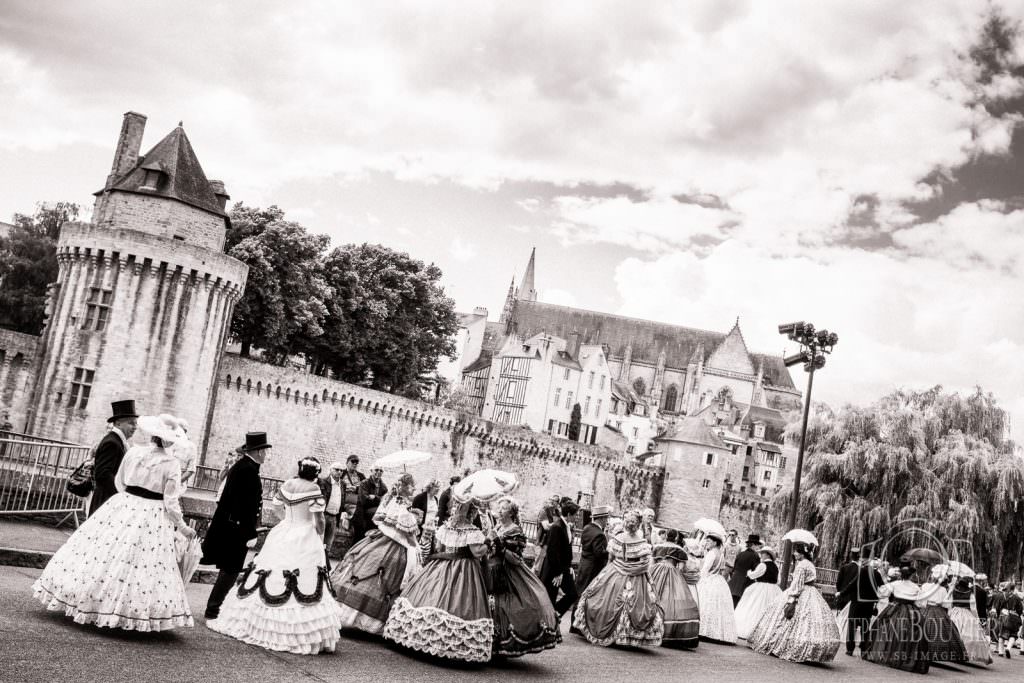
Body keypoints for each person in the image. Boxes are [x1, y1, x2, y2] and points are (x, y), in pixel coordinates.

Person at [33, 414, 196, 630]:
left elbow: (120, 481)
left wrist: (128, 500)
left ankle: (88, 597)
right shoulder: (171, 463)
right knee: (143, 563)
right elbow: (171, 501)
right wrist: (183, 527)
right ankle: (127, 611)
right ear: (167, 440)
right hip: (153, 511)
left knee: (104, 554)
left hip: (125, 503)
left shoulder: (134, 452)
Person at [208, 457, 343, 654]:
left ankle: (256, 622)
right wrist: (318, 533)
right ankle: (295, 632)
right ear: (315, 473)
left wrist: (286, 521)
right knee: (305, 576)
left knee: (269, 571)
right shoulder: (314, 490)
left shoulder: (288, 484)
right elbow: (320, 519)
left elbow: (277, 506)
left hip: (284, 530)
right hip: (305, 533)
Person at [384, 499, 494, 663]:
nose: (457, 509)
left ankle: (421, 636)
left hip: (439, 565)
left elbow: (439, 548)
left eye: (458, 507)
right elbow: (477, 552)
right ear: (472, 512)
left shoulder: (446, 527)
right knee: (458, 602)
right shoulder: (472, 531)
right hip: (463, 569)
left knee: (430, 595)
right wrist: (488, 542)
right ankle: (446, 643)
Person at [331, 472, 421, 634]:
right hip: (394, 544)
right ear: (405, 487)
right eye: (412, 485)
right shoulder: (399, 504)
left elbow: (378, 519)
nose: (414, 488)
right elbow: (405, 532)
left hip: (381, 539)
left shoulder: (393, 500)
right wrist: (409, 518)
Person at [573, 509, 664, 648]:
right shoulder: (630, 541)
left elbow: (616, 560)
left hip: (623, 574)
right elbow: (640, 563)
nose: (630, 524)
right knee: (621, 602)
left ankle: (617, 632)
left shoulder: (629, 540)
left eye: (630, 522)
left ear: (632, 524)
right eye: (630, 522)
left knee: (616, 601)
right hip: (626, 575)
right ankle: (619, 634)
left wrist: (605, 575)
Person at [202, 432, 268, 621]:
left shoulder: (246, 467)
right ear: (258, 451)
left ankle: (215, 607)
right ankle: (213, 609)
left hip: (234, 526)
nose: (266, 455)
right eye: (264, 451)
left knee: (229, 569)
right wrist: (249, 531)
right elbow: (243, 505)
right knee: (231, 569)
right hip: (236, 528)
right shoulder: (246, 469)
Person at [489, 496, 561, 657]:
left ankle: (504, 642)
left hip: (508, 574)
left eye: (504, 508)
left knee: (507, 606)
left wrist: (499, 546)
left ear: (511, 512)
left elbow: (515, 558)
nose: (499, 511)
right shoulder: (498, 526)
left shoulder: (515, 530)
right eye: (499, 507)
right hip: (491, 571)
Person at [748, 542, 840, 662]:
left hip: (801, 593)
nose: (795, 553)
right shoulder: (810, 564)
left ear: (803, 553)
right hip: (811, 592)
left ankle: (787, 646)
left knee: (787, 619)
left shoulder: (802, 565)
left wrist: (792, 599)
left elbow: (797, 585)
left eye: (797, 551)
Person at [862, 564, 930, 674]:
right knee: (910, 634)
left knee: (887, 630)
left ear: (901, 574)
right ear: (911, 575)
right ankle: (904, 657)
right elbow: (921, 603)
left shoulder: (895, 584)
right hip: (910, 610)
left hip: (894, 608)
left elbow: (881, 593)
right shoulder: (916, 587)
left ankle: (885, 654)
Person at [650, 528, 699, 648]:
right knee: (672, 600)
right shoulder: (680, 550)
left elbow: (652, 563)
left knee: (652, 595)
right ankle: (669, 631)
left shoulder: (657, 547)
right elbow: (681, 568)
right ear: (676, 538)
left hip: (655, 571)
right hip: (672, 572)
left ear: (666, 536)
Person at [89, 399, 139, 515]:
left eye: (136, 423)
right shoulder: (112, 442)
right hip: (105, 500)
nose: (135, 427)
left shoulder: (118, 441)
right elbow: (103, 474)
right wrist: (121, 491)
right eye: (131, 423)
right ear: (118, 423)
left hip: (109, 499)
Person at [837, 548, 883, 656]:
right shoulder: (876, 574)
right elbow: (881, 587)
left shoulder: (861, 571)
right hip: (869, 604)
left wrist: (841, 593)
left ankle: (850, 649)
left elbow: (852, 585)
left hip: (857, 602)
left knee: (852, 625)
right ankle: (864, 649)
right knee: (865, 626)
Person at [916, 571, 968, 664]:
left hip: (926, 609)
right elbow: (946, 604)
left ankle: (921, 651)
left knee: (924, 629)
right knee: (938, 632)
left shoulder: (926, 586)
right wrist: (949, 592)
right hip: (937, 610)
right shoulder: (943, 590)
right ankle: (933, 653)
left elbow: (920, 599)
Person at [540, 499, 578, 619]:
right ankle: (549, 623)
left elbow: (565, 551)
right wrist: (557, 573)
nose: (576, 517)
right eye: (575, 515)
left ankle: (554, 614)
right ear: (568, 515)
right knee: (550, 597)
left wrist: (569, 566)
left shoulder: (566, 527)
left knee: (572, 594)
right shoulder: (557, 527)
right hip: (553, 570)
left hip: (563, 568)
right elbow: (552, 552)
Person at [696, 533, 737, 643]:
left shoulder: (711, 553)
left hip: (709, 579)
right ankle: (717, 632)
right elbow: (722, 569)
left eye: (709, 541)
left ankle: (703, 630)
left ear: (715, 543)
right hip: (718, 580)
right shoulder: (721, 554)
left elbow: (705, 570)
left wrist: (699, 579)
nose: (706, 543)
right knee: (716, 607)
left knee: (704, 604)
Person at [734, 547, 782, 640]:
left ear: (768, 554)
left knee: (753, 606)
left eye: (762, 553)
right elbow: (778, 580)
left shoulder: (763, 565)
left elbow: (754, 575)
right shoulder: (776, 566)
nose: (761, 555)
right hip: (773, 588)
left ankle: (750, 630)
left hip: (761, 587)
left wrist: (749, 572)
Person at [949, 576, 992, 665]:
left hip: (954, 611)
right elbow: (973, 608)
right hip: (966, 613)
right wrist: (976, 618)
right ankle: (965, 654)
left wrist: (949, 613)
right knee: (969, 636)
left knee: (954, 633)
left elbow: (950, 604)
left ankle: (952, 652)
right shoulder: (970, 593)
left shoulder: (954, 591)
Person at [574, 505, 609, 602]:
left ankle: (574, 615)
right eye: (606, 518)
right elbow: (599, 553)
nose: (607, 521)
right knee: (586, 595)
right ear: (601, 519)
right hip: (593, 569)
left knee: (579, 592)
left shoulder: (587, 528)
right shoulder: (599, 534)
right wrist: (610, 551)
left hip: (583, 565)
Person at [318, 462, 346, 559]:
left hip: (334, 517)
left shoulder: (343, 484)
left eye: (341, 470)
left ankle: (323, 564)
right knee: (318, 541)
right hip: (323, 515)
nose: (339, 472)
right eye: (336, 469)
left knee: (328, 544)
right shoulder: (323, 482)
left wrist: (342, 514)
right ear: (330, 470)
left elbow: (342, 499)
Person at [728, 534, 762, 607]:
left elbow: (734, 568)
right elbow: (756, 572)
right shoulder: (755, 556)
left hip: (733, 583)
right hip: (745, 584)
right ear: (753, 545)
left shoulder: (740, 554)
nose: (758, 547)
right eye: (757, 545)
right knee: (740, 607)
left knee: (732, 605)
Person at [338, 455, 366, 542]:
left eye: (356, 462)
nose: (355, 464)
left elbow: (365, 488)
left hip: (357, 500)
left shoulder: (361, 476)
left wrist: (356, 489)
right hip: (345, 500)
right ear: (347, 463)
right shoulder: (341, 473)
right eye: (352, 462)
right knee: (357, 516)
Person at [359, 465, 388, 538]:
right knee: (360, 538)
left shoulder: (383, 486)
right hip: (362, 514)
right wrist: (380, 500)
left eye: (381, 471)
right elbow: (364, 501)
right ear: (371, 471)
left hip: (377, 513)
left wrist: (375, 497)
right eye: (376, 470)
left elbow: (386, 500)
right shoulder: (364, 483)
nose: (379, 472)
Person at [998, 581, 1024, 658]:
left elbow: (999, 607)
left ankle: (1000, 652)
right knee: (1013, 634)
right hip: (1014, 617)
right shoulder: (1017, 598)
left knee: (1002, 634)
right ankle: (1008, 648)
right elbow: (1020, 609)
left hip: (1003, 616)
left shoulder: (1002, 596)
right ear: (1014, 588)